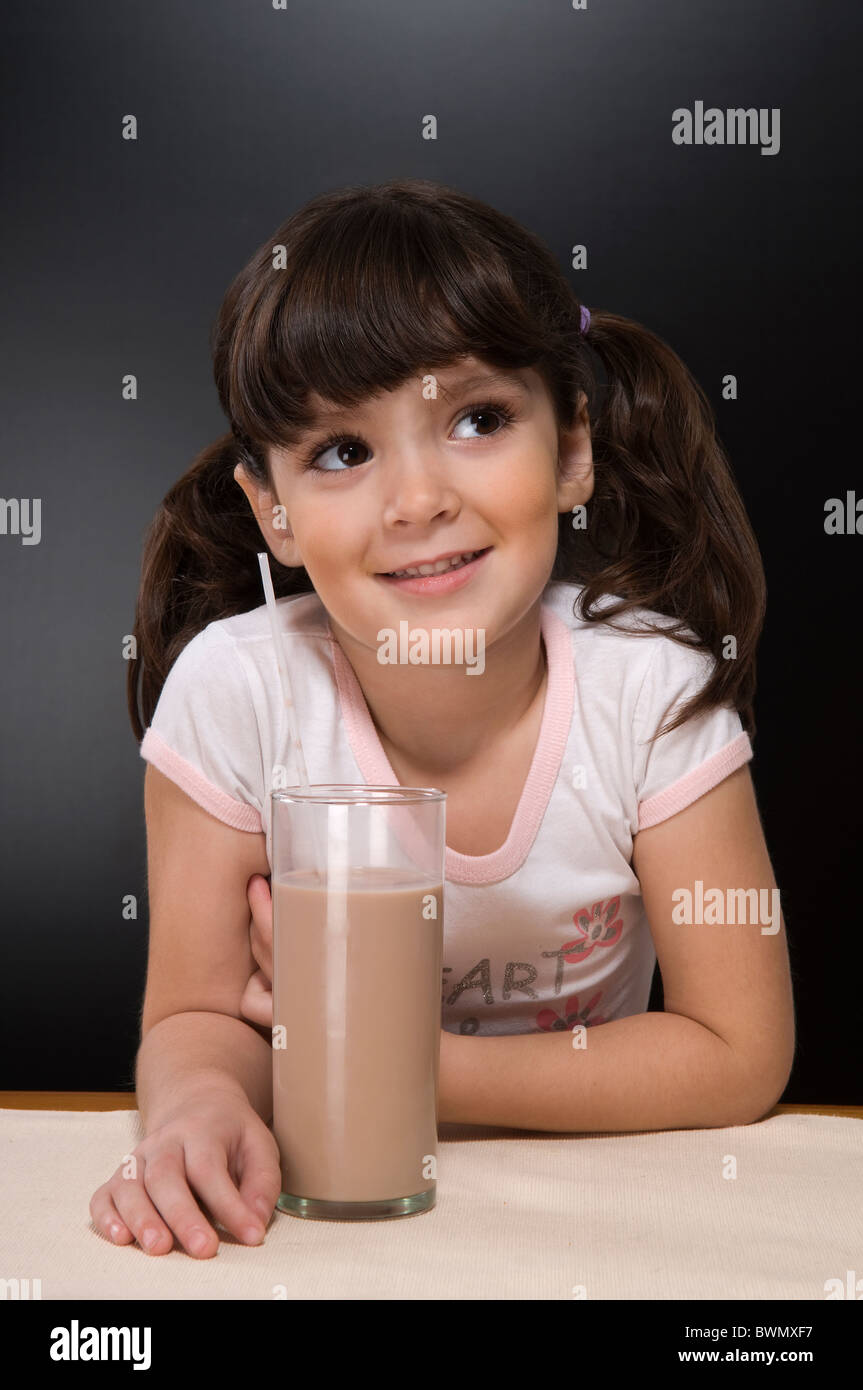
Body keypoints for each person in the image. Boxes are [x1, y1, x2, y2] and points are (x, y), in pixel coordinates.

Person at [89, 178, 795, 1259]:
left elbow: (737, 1048)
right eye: (341, 451)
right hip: (335, 1214)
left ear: (570, 452)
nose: (416, 501)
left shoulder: (649, 695)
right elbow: (196, 1016)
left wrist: (407, 1062)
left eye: (476, 420)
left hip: (589, 1216)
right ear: (270, 512)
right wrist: (196, 1105)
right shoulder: (234, 695)